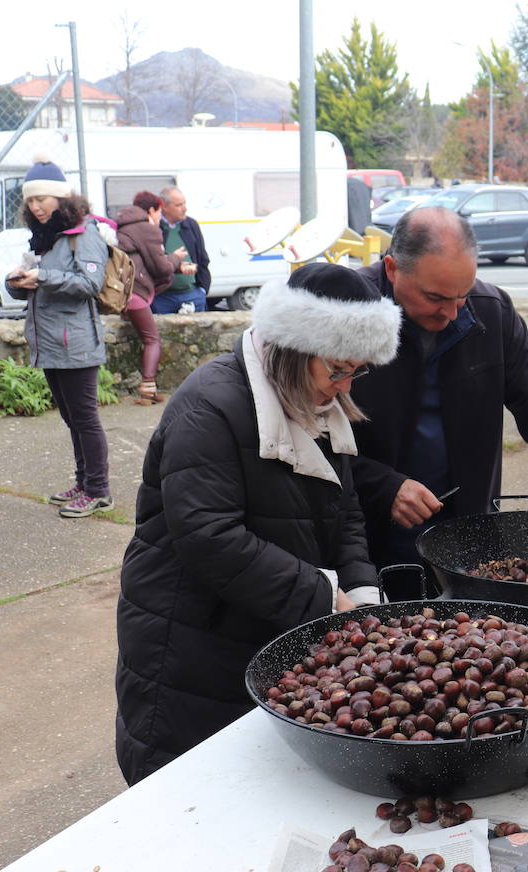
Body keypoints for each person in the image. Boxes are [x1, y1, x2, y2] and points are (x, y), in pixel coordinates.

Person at [114, 264, 400, 784]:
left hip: (263, 626)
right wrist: (322, 594)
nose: (342, 387)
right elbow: (209, 535)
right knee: (186, 788)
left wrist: (361, 591)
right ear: (293, 348)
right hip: (189, 643)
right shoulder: (210, 406)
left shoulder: (319, 408)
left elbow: (347, 512)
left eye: (355, 372)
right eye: (336, 369)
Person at [351, 207, 528, 566]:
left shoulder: (492, 310)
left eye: (462, 294)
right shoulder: (348, 314)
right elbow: (308, 438)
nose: (453, 313)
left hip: (468, 531)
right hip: (367, 538)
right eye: (435, 298)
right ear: (392, 269)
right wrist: (381, 486)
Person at [5, 156, 113, 519]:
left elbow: (90, 285)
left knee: (85, 418)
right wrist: (18, 283)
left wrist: (43, 278)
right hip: (50, 343)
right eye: (30, 201)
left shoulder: (85, 234)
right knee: (71, 418)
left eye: (43, 199)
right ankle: (84, 483)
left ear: (62, 200)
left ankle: (99, 491)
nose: (35, 207)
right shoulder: (48, 239)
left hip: (77, 342)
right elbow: (39, 292)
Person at [114, 190, 183, 405]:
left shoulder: (119, 227)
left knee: (146, 336)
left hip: (120, 293)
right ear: (152, 209)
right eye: (159, 212)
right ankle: (147, 388)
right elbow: (161, 268)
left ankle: (148, 390)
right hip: (137, 292)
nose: (159, 218)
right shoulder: (147, 229)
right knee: (152, 339)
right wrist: (176, 259)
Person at [150, 186, 210, 314]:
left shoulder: (191, 225)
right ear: (164, 206)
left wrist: (203, 290)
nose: (185, 208)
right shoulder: (154, 227)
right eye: (179, 205)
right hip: (162, 298)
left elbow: (203, 259)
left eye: (184, 203)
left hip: (193, 295)